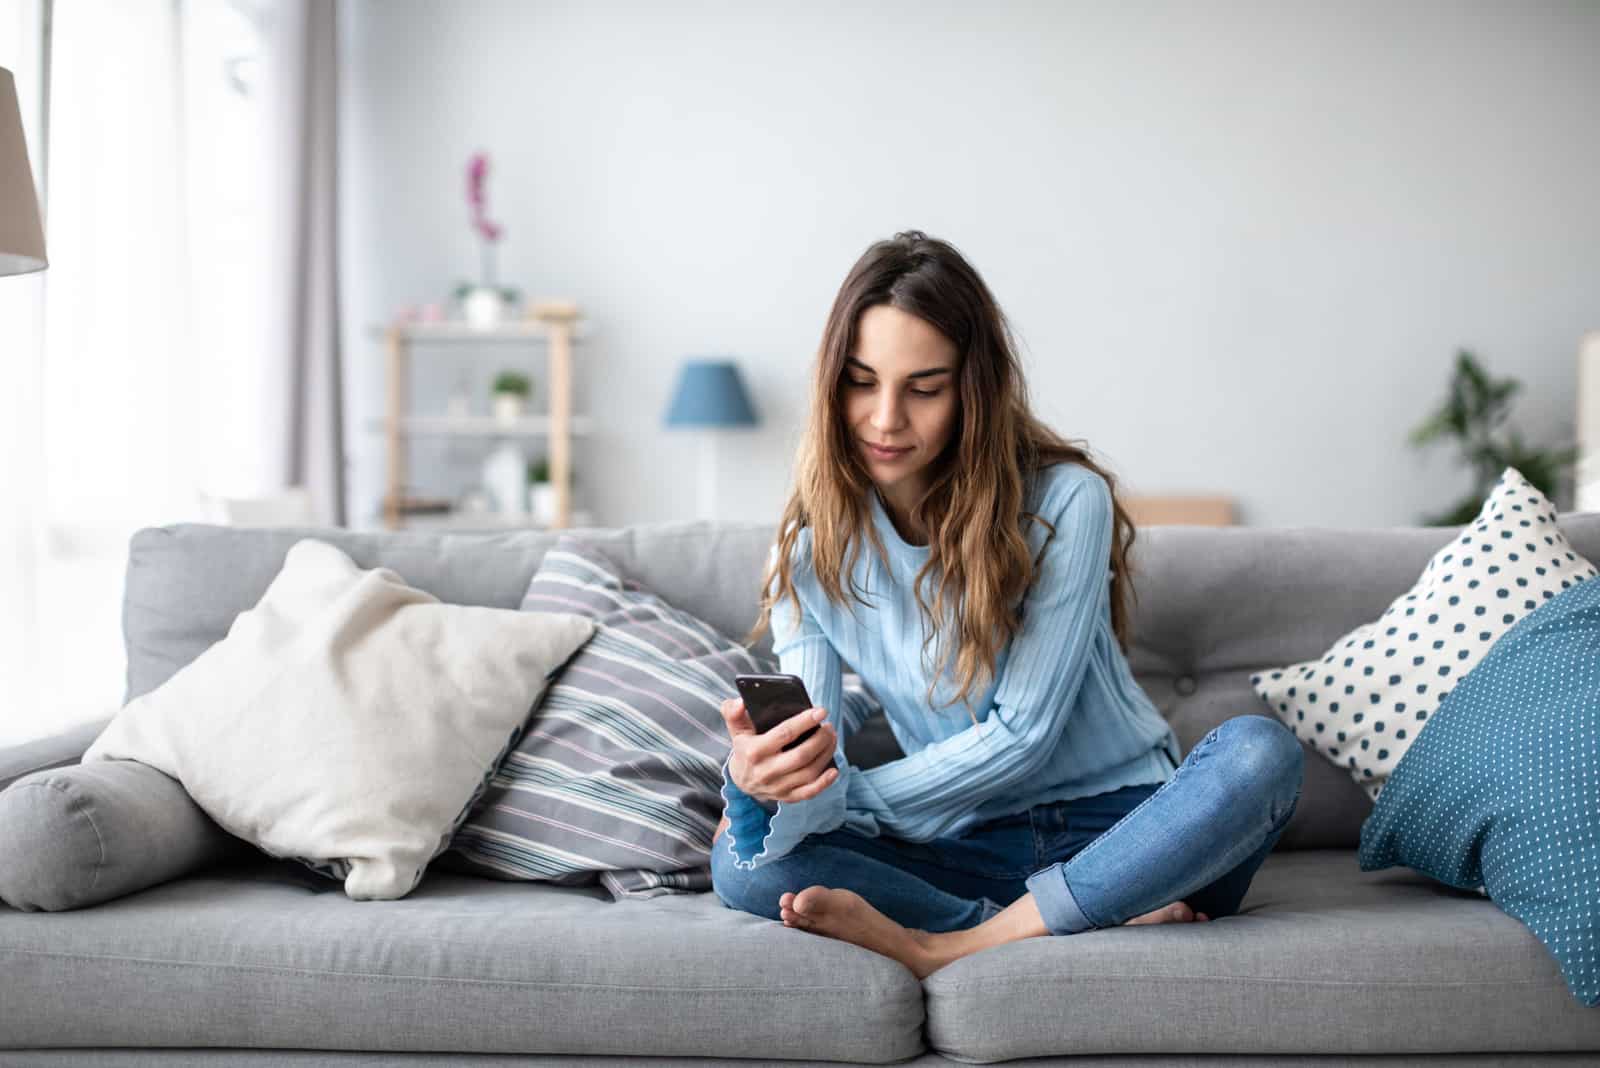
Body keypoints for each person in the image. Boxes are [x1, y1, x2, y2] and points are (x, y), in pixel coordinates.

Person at [709, 230, 1303, 978]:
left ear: (972, 390)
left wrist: (848, 796)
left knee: (1259, 754)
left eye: (923, 388)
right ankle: (1056, 922)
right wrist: (761, 780)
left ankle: (950, 946)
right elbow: (814, 762)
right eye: (862, 382)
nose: (886, 419)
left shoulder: (1065, 502)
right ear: (832, 383)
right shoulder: (806, 550)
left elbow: (1022, 735)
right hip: (967, 844)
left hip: (1125, 827)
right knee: (741, 863)